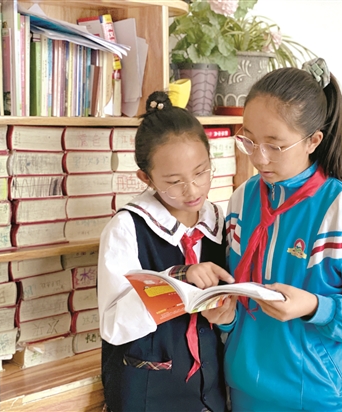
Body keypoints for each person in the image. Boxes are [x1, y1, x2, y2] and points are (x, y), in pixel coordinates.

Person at [203, 63, 342, 411]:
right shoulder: (242, 199)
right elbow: (240, 303)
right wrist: (227, 315)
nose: (259, 157)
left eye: (275, 146)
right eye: (249, 140)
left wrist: (315, 307)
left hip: (316, 397)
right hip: (245, 389)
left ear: (314, 140)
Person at [98, 91, 235, 412]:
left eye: (201, 171)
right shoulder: (127, 228)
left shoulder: (218, 221)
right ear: (146, 178)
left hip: (211, 391)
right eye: (174, 181)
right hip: (147, 395)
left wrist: (226, 315)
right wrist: (179, 280)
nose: (193, 189)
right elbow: (114, 325)